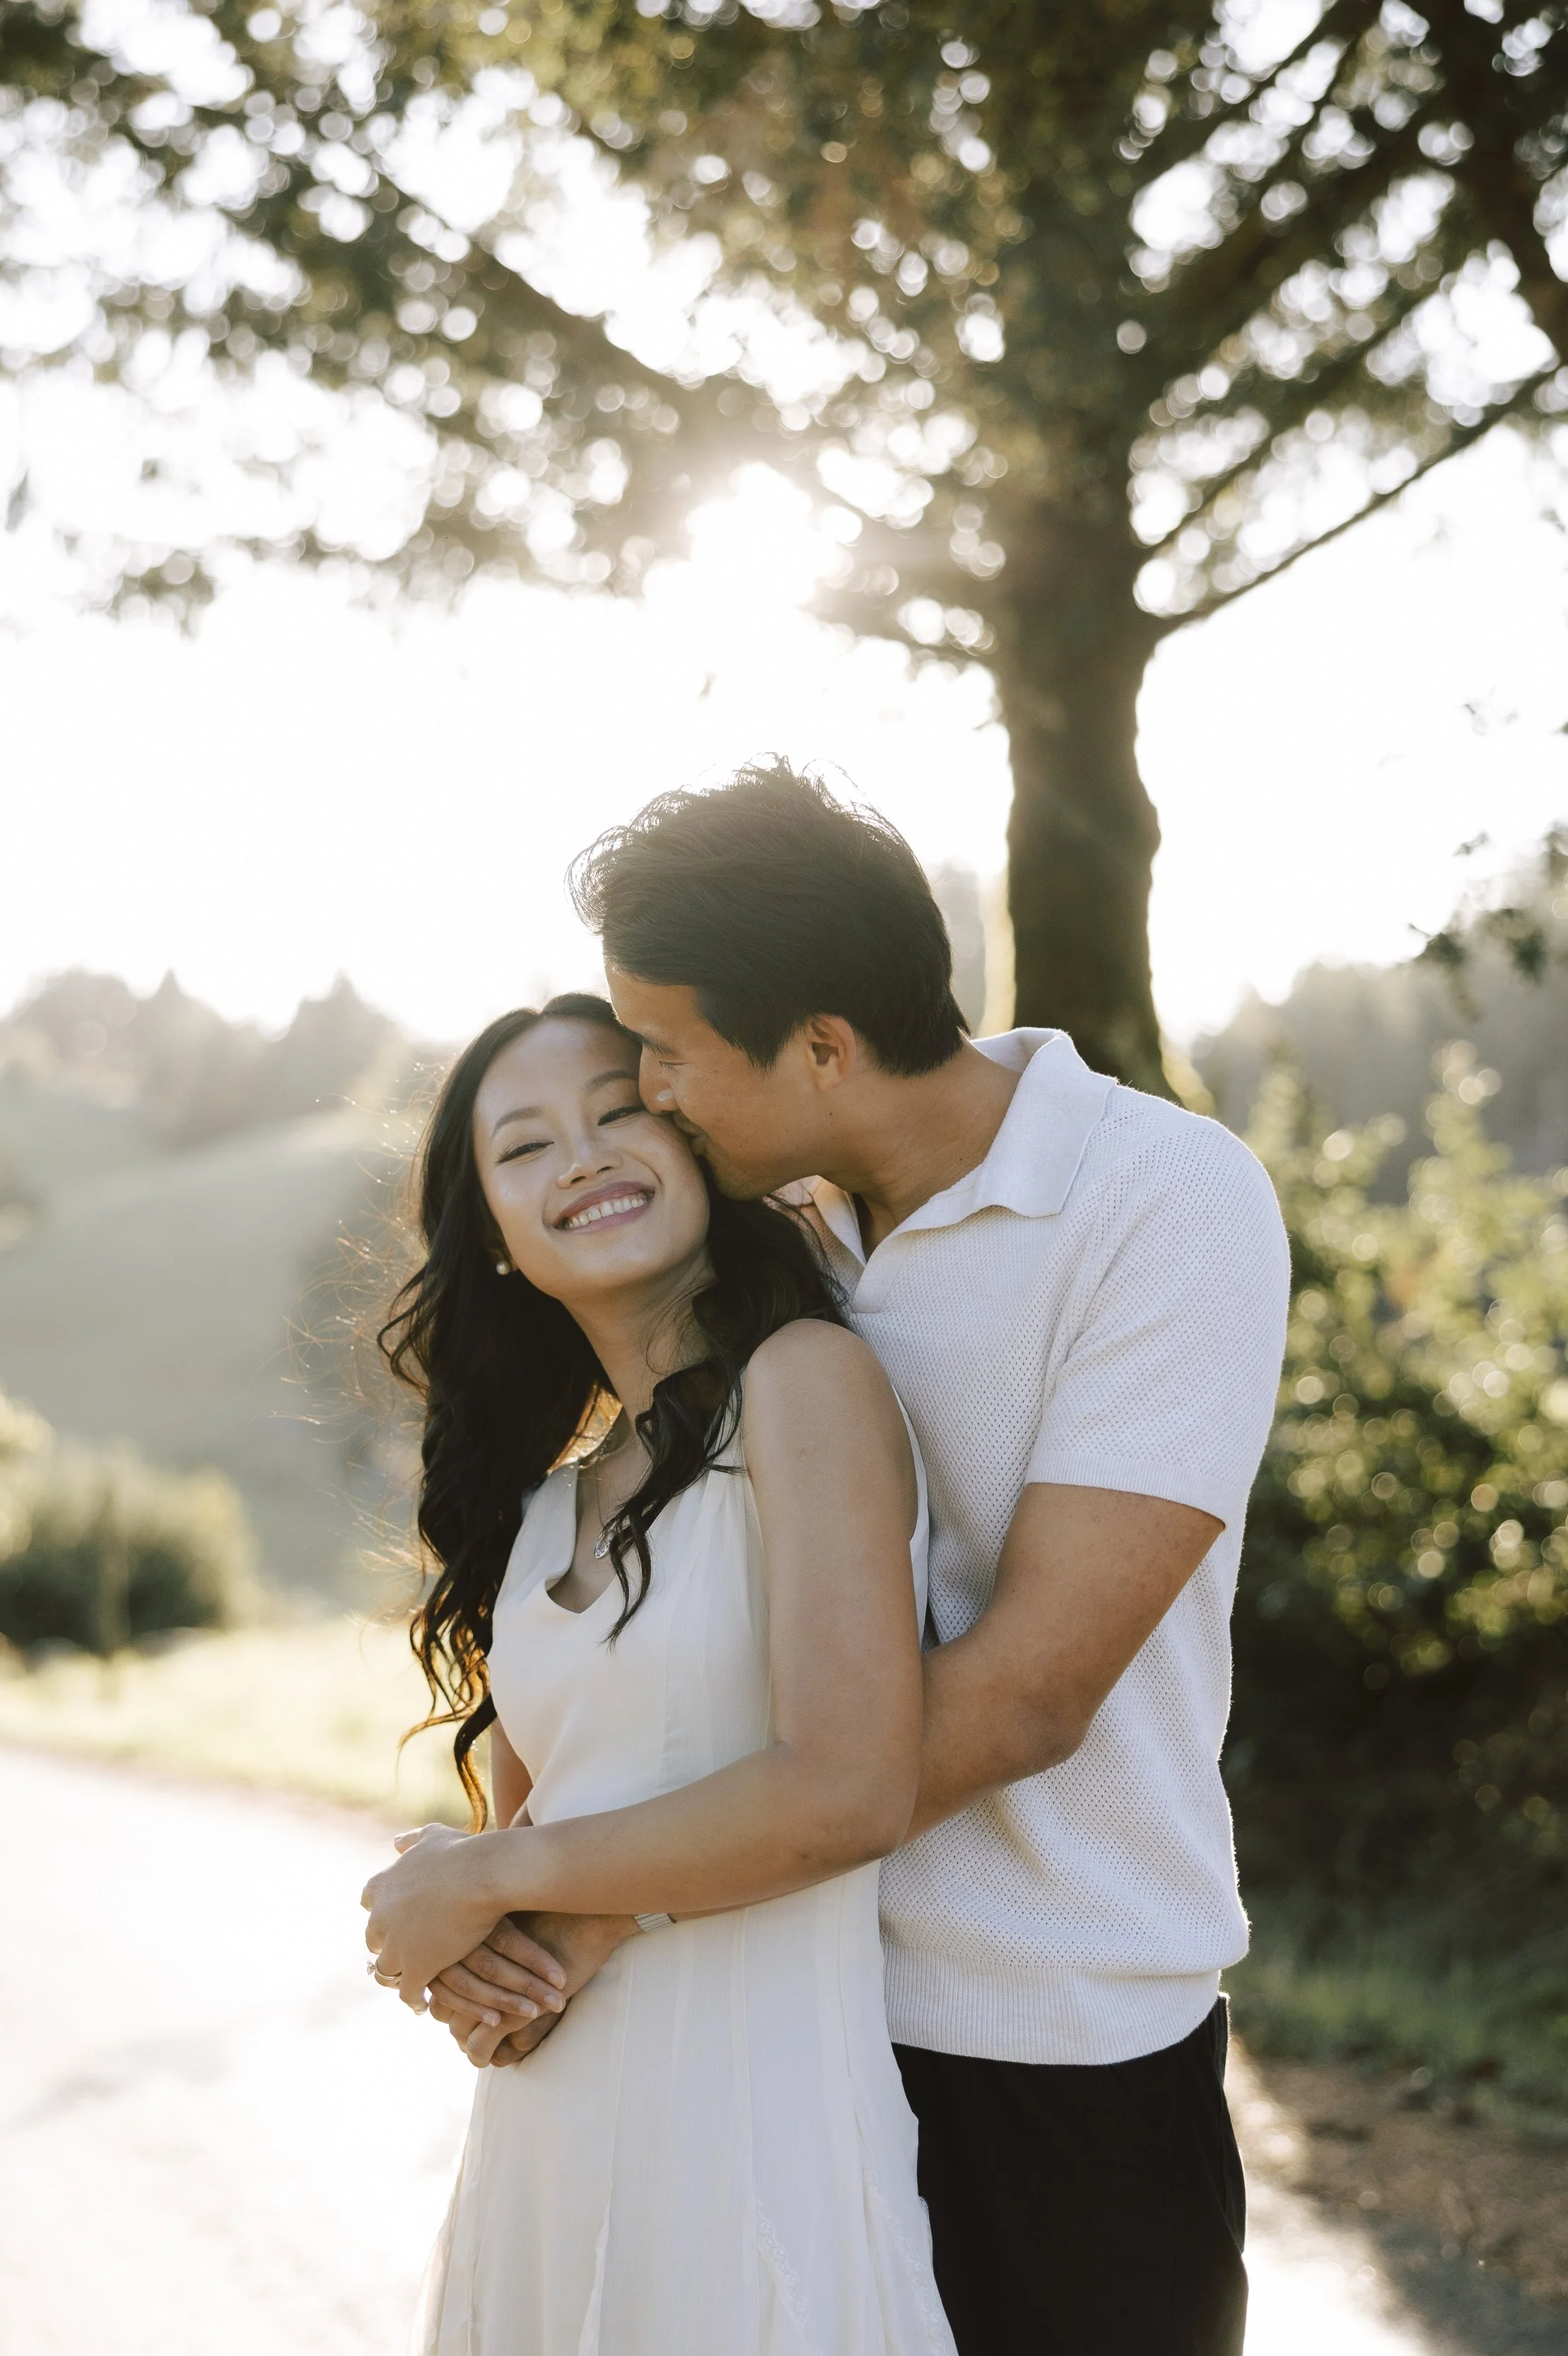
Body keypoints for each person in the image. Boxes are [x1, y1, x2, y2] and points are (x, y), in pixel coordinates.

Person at [410, 763, 1291, 2356]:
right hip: (763, 2023)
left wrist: (584, 1910)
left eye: (664, 1058)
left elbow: (1028, 1693)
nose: (653, 1097)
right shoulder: (780, 1241)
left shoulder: (1159, 1199)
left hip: (1045, 2037)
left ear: (818, 1045)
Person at [361, 992, 957, 2356]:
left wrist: (482, 1882)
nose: (582, 1156)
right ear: (496, 1240)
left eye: (618, 1110)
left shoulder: (805, 1386)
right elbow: (540, 1837)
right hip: (545, 2142)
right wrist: (468, 1952)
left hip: (749, 2132)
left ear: (694, 1144)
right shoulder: (533, 1514)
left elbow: (850, 1790)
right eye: (526, 1147)